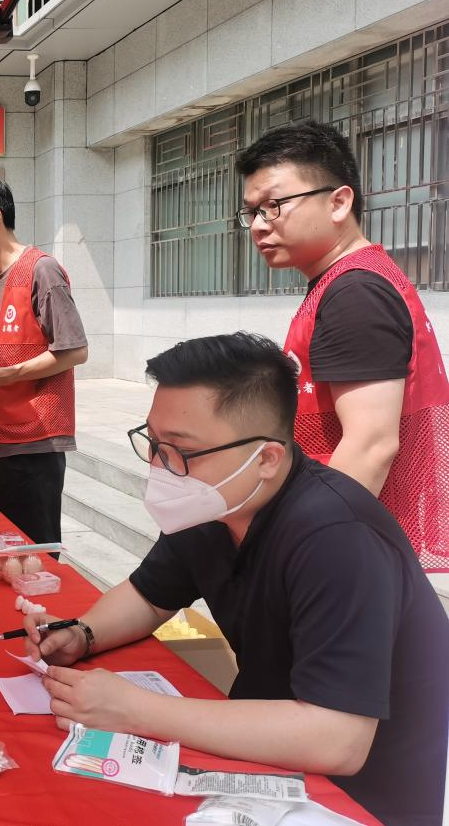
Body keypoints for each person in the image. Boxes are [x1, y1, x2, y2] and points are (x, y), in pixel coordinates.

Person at [24, 333, 448, 826]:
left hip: (357, 797)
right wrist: (83, 632)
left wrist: (133, 709)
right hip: (258, 750)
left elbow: (338, 740)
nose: (161, 467)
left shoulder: (337, 538)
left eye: (181, 450)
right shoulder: (216, 503)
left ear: (266, 458)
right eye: (154, 443)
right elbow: (150, 595)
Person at [236, 120, 448, 568]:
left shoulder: (355, 294)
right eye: (251, 211)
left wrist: (307, 553)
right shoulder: (345, 282)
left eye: (273, 206)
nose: (257, 226)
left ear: (338, 202)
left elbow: (371, 445)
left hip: (353, 547)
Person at [0, 173, 88, 545]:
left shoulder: (42, 269)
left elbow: (74, 350)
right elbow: (3, 348)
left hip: (32, 443)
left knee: (32, 556)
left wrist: (1, 375)